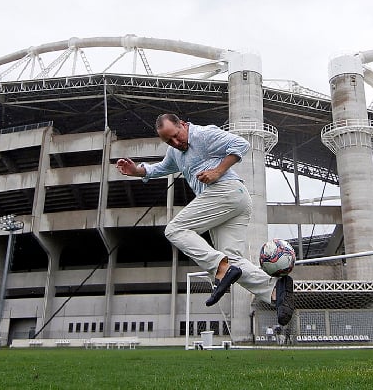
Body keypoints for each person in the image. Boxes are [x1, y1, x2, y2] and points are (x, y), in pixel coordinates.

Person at [115, 113, 294, 326]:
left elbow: (241, 144)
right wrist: (136, 170)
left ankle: (220, 268)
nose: (175, 142)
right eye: (168, 141)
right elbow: (161, 168)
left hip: (226, 191)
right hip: (232, 203)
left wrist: (217, 171)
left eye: (175, 136)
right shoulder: (175, 151)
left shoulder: (202, 134)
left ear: (182, 124)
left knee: (175, 230)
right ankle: (275, 291)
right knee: (233, 260)